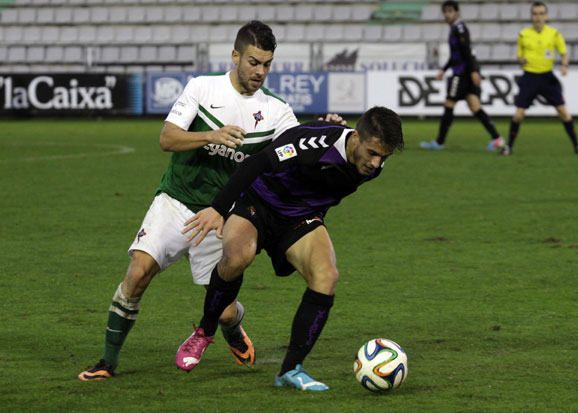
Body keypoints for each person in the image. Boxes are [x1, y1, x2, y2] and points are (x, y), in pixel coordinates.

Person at [79, 20, 343, 381]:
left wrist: (325, 130)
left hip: (224, 215)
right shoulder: (203, 88)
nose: (260, 72)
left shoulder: (277, 110)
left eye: (266, 64)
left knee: (223, 311)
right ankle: (107, 362)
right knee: (138, 273)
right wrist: (209, 135)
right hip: (177, 201)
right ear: (235, 56)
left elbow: (296, 151)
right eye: (253, 62)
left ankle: (233, 329)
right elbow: (167, 139)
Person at [177, 106, 404, 391]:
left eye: (384, 157)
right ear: (356, 137)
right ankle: (204, 331)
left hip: (300, 217)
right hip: (259, 201)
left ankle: (290, 369)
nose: (376, 163)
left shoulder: (371, 166)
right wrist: (218, 208)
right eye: (372, 152)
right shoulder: (311, 144)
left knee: (326, 277)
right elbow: (255, 164)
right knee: (237, 258)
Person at [500, 1, 578, 155]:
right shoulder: (523, 34)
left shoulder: (554, 34)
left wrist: (564, 65)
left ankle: (577, 146)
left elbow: (564, 53)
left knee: (563, 112)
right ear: (531, 16)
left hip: (547, 77)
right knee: (519, 114)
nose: (538, 17)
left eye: (541, 14)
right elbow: (519, 56)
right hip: (530, 77)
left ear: (546, 16)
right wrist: (521, 60)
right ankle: (509, 147)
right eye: (535, 14)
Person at [420, 0, 504, 151]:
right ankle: (497, 138)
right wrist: (444, 70)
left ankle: (439, 142)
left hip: (462, 74)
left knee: (449, 104)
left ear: (457, 13)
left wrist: (473, 72)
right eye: (445, 12)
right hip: (465, 72)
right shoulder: (455, 28)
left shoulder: (459, 29)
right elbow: (455, 56)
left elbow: (467, 52)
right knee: (475, 106)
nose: (447, 14)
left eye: (450, 11)